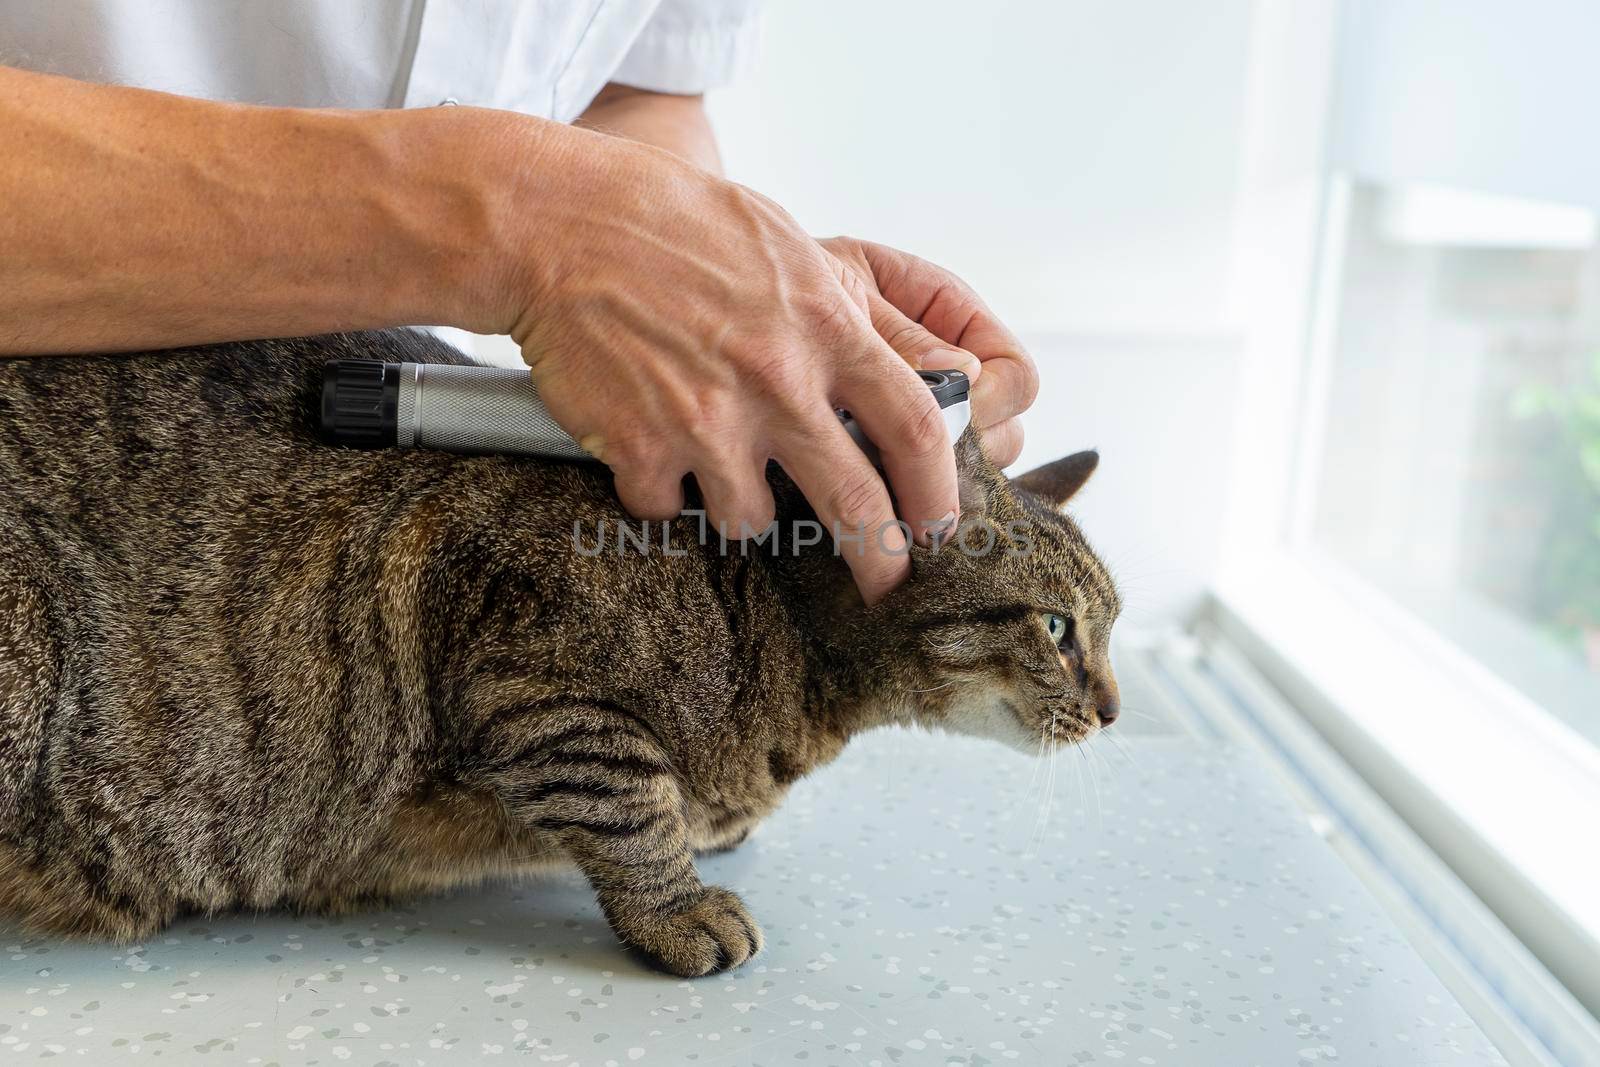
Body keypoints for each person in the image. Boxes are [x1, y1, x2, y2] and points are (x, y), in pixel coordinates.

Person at [0, 0, 1038, 604]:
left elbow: (633, 89)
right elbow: (545, 209)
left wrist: (716, 289)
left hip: (344, 615)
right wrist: (520, 222)